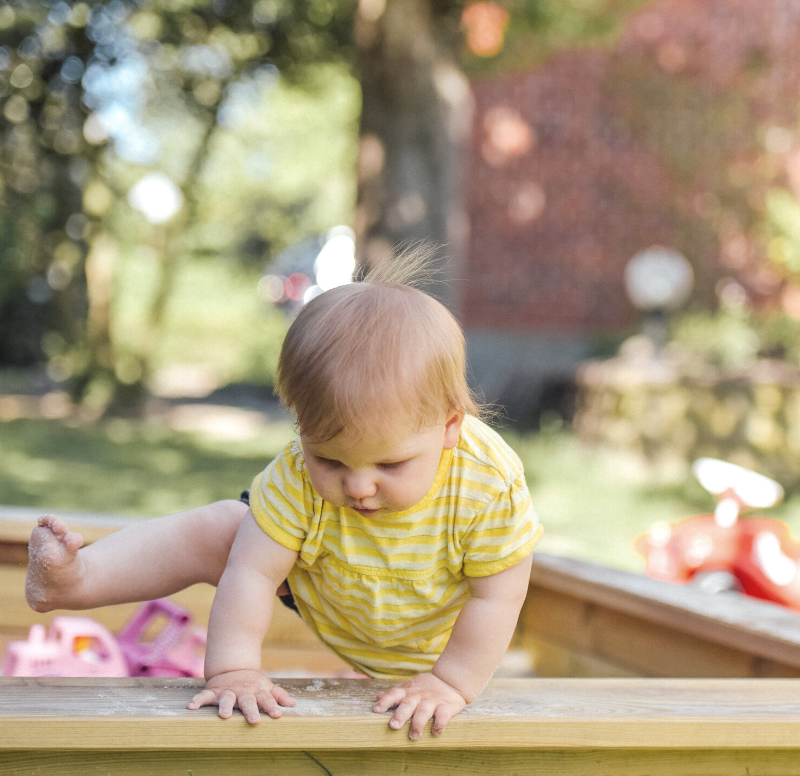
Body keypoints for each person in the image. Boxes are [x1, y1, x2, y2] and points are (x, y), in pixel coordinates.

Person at [25, 246, 542, 740]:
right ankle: (76, 580)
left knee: (476, 615)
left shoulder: (486, 484)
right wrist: (233, 670)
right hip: (331, 586)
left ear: (450, 427)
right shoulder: (294, 474)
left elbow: (498, 595)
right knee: (224, 529)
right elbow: (251, 574)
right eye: (330, 460)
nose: (359, 486)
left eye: (391, 463)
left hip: (439, 633)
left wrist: (450, 682)